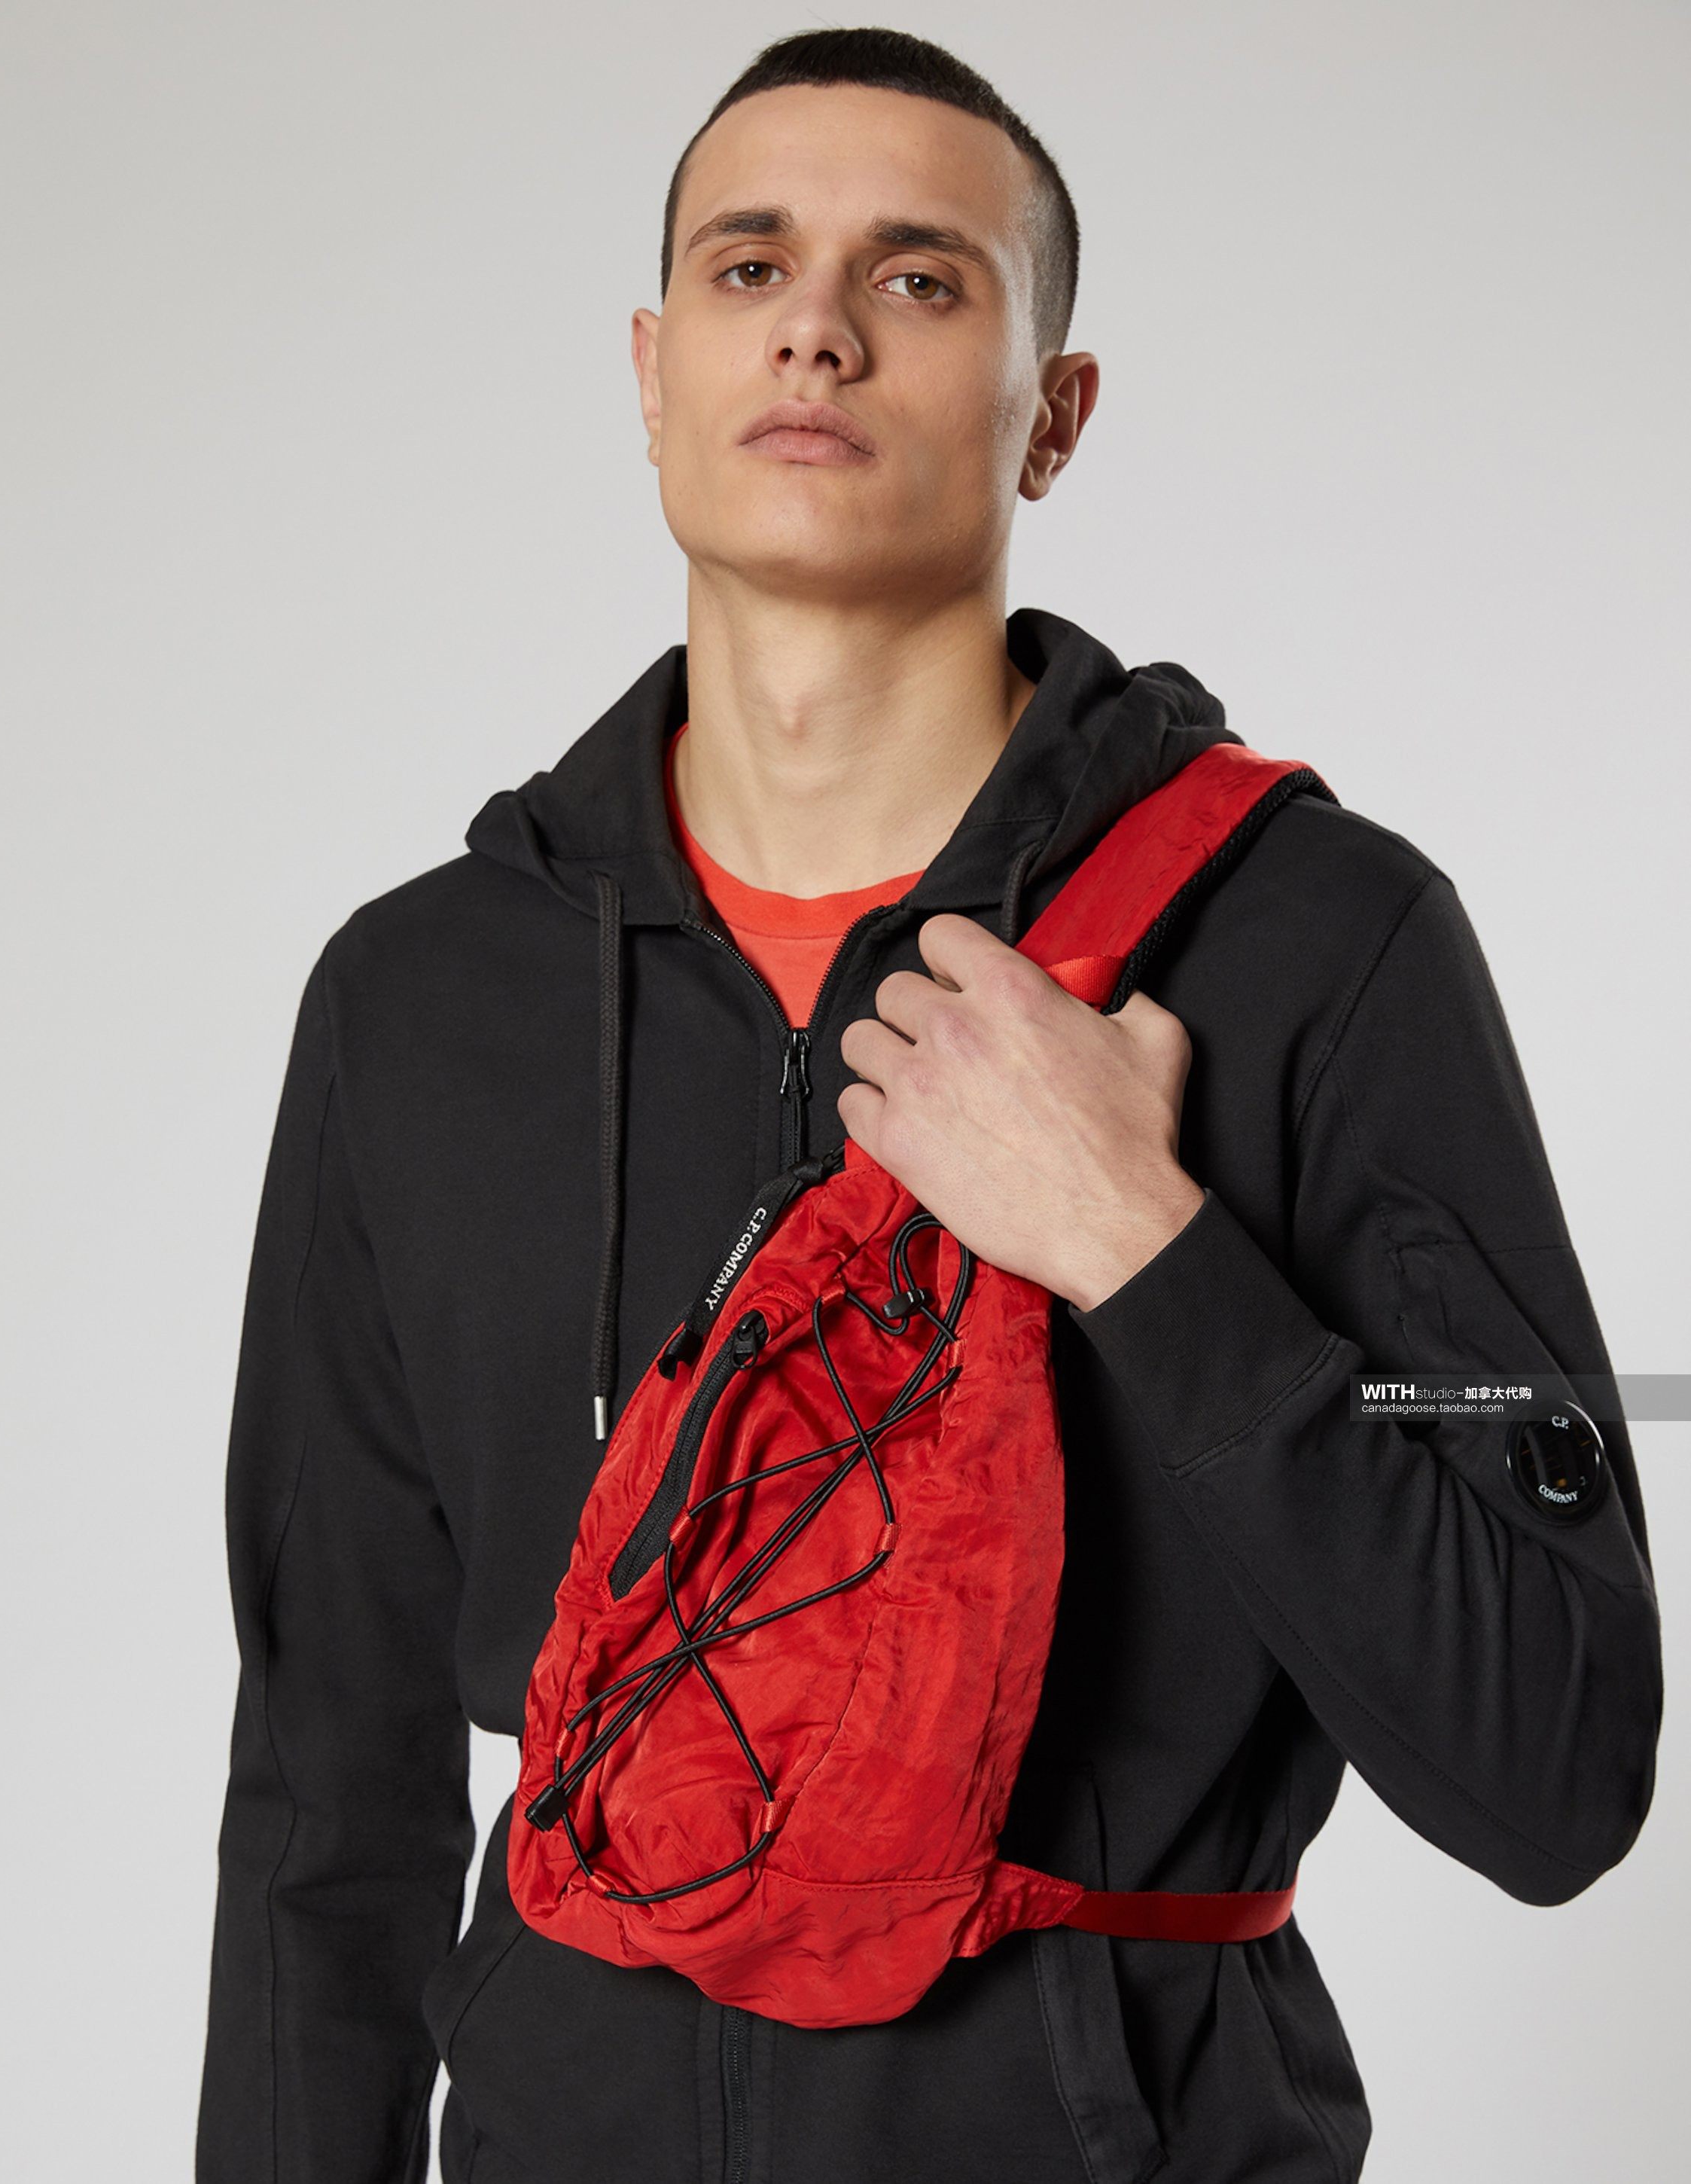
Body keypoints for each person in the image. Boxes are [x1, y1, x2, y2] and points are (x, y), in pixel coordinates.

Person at [194, 26, 1662, 2184]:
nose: (816, 324)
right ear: (652, 371)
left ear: (1054, 413)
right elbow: (329, 1805)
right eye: (747, 266)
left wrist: (1149, 1251)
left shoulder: (1316, 942)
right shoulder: (420, 997)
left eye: (918, 277)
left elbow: (1558, 1763)